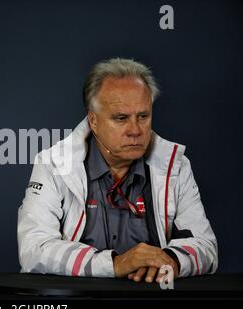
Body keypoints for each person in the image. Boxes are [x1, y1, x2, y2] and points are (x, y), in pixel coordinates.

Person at [17, 58, 218, 282]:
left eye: (143, 116)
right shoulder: (54, 164)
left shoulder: (176, 166)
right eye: (121, 118)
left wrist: (171, 260)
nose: (135, 130)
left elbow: (206, 246)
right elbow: (34, 250)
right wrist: (115, 264)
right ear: (93, 120)